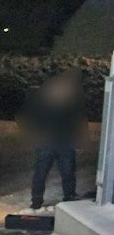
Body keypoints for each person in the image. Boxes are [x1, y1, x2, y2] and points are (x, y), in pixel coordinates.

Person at [18, 68, 88, 210]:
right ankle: (38, 200)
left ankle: (67, 197)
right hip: (49, 141)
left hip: (62, 141)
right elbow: (30, 118)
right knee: (43, 172)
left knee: (64, 172)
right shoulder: (43, 100)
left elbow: (77, 120)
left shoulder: (70, 101)